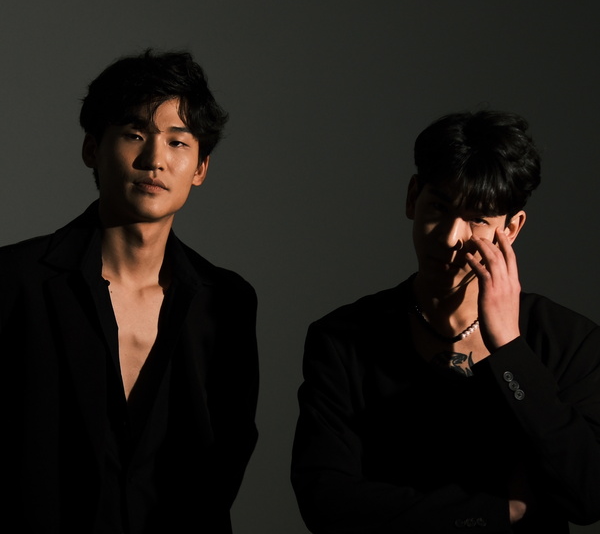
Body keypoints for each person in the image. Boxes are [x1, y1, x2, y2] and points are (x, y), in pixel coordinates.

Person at [291, 110, 600, 533]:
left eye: (478, 219)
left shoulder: (570, 340)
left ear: (511, 229)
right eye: (439, 206)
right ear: (412, 197)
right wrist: (499, 512)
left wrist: (509, 348)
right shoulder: (342, 339)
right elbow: (325, 502)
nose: (451, 237)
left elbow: (589, 496)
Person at [1, 49, 259, 534]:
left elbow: (229, 449)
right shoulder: (15, 282)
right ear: (91, 149)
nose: (154, 160)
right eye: (134, 134)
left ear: (200, 167)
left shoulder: (227, 301)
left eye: (178, 142)